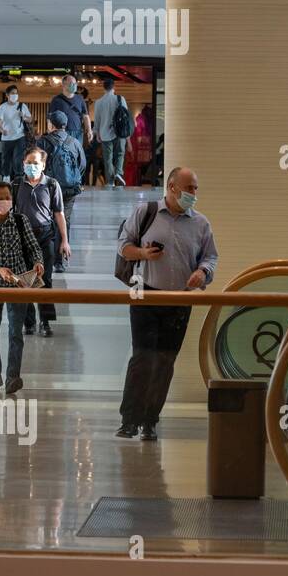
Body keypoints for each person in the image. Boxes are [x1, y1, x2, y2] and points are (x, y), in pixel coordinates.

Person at [116, 167, 218, 441]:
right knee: (142, 357)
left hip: (180, 300)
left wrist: (203, 273)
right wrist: (142, 253)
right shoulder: (146, 212)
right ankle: (129, 419)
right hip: (145, 294)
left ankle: (150, 420)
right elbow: (123, 246)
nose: (194, 194)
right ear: (172, 187)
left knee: (165, 361)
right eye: (190, 188)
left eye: (196, 188)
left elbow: (210, 258)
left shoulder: (200, 224)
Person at [0, 181, 45, 396]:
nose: (4, 202)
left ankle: (13, 376)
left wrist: (38, 262)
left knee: (16, 333)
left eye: (7, 198)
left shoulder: (21, 221)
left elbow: (33, 247)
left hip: (19, 284)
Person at [12, 148, 69, 337]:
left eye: (36, 163)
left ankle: (45, 322)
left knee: (45, 280)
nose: (32, 166)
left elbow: (59, 214)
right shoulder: (15, 185)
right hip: (22, 239)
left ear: (43, 165)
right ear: (23, 164)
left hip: (45, 237)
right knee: (25, 280)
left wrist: (65, 241)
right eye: (29, 162)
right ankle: (28, 322)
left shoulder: (52, 185)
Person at [38, 110, 87, 273]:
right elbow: (82, 165)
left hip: (48, 189)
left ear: (51, 124)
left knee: (47, 221)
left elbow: (37, 164)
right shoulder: (74, 142)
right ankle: (60, 262)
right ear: (65, 125)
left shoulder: (43, 142)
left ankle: (46, 258)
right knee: (64, 222)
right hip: (69, 190)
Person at [91, 75, 130, 188]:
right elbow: (125, 117)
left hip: (104, 133)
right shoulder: (120, 99)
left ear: (104, 88)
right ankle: (118, 172)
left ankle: (110, 181)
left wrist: (97, 133)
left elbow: (97, 119)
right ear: (114, 87)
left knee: (107, 157)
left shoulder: (99, 102)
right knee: (120, 153)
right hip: (119, 132)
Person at [0, 84, 32, 181]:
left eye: (16, 93)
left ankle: (19, 178)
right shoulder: (3, 107)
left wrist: (24, 117)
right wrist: (2, 130)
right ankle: (6, 177)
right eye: (12, 93)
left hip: (19, 136)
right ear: (7, 95)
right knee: (6, 159)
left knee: (18, 159)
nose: (15, 95)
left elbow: (30, 119)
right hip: (7, 137)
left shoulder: (22, 106)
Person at [49, 75, 91, 149]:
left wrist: (89, 130)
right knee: (63, 154)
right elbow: (50, 117)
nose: (74, 85)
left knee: (76, 153)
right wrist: (50, 130)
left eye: (75, 83)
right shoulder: (56, 100)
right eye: (72, 83)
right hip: (62, 132)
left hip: (77, 132)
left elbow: (85, 116)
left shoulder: (80, 99)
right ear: (64, 85)